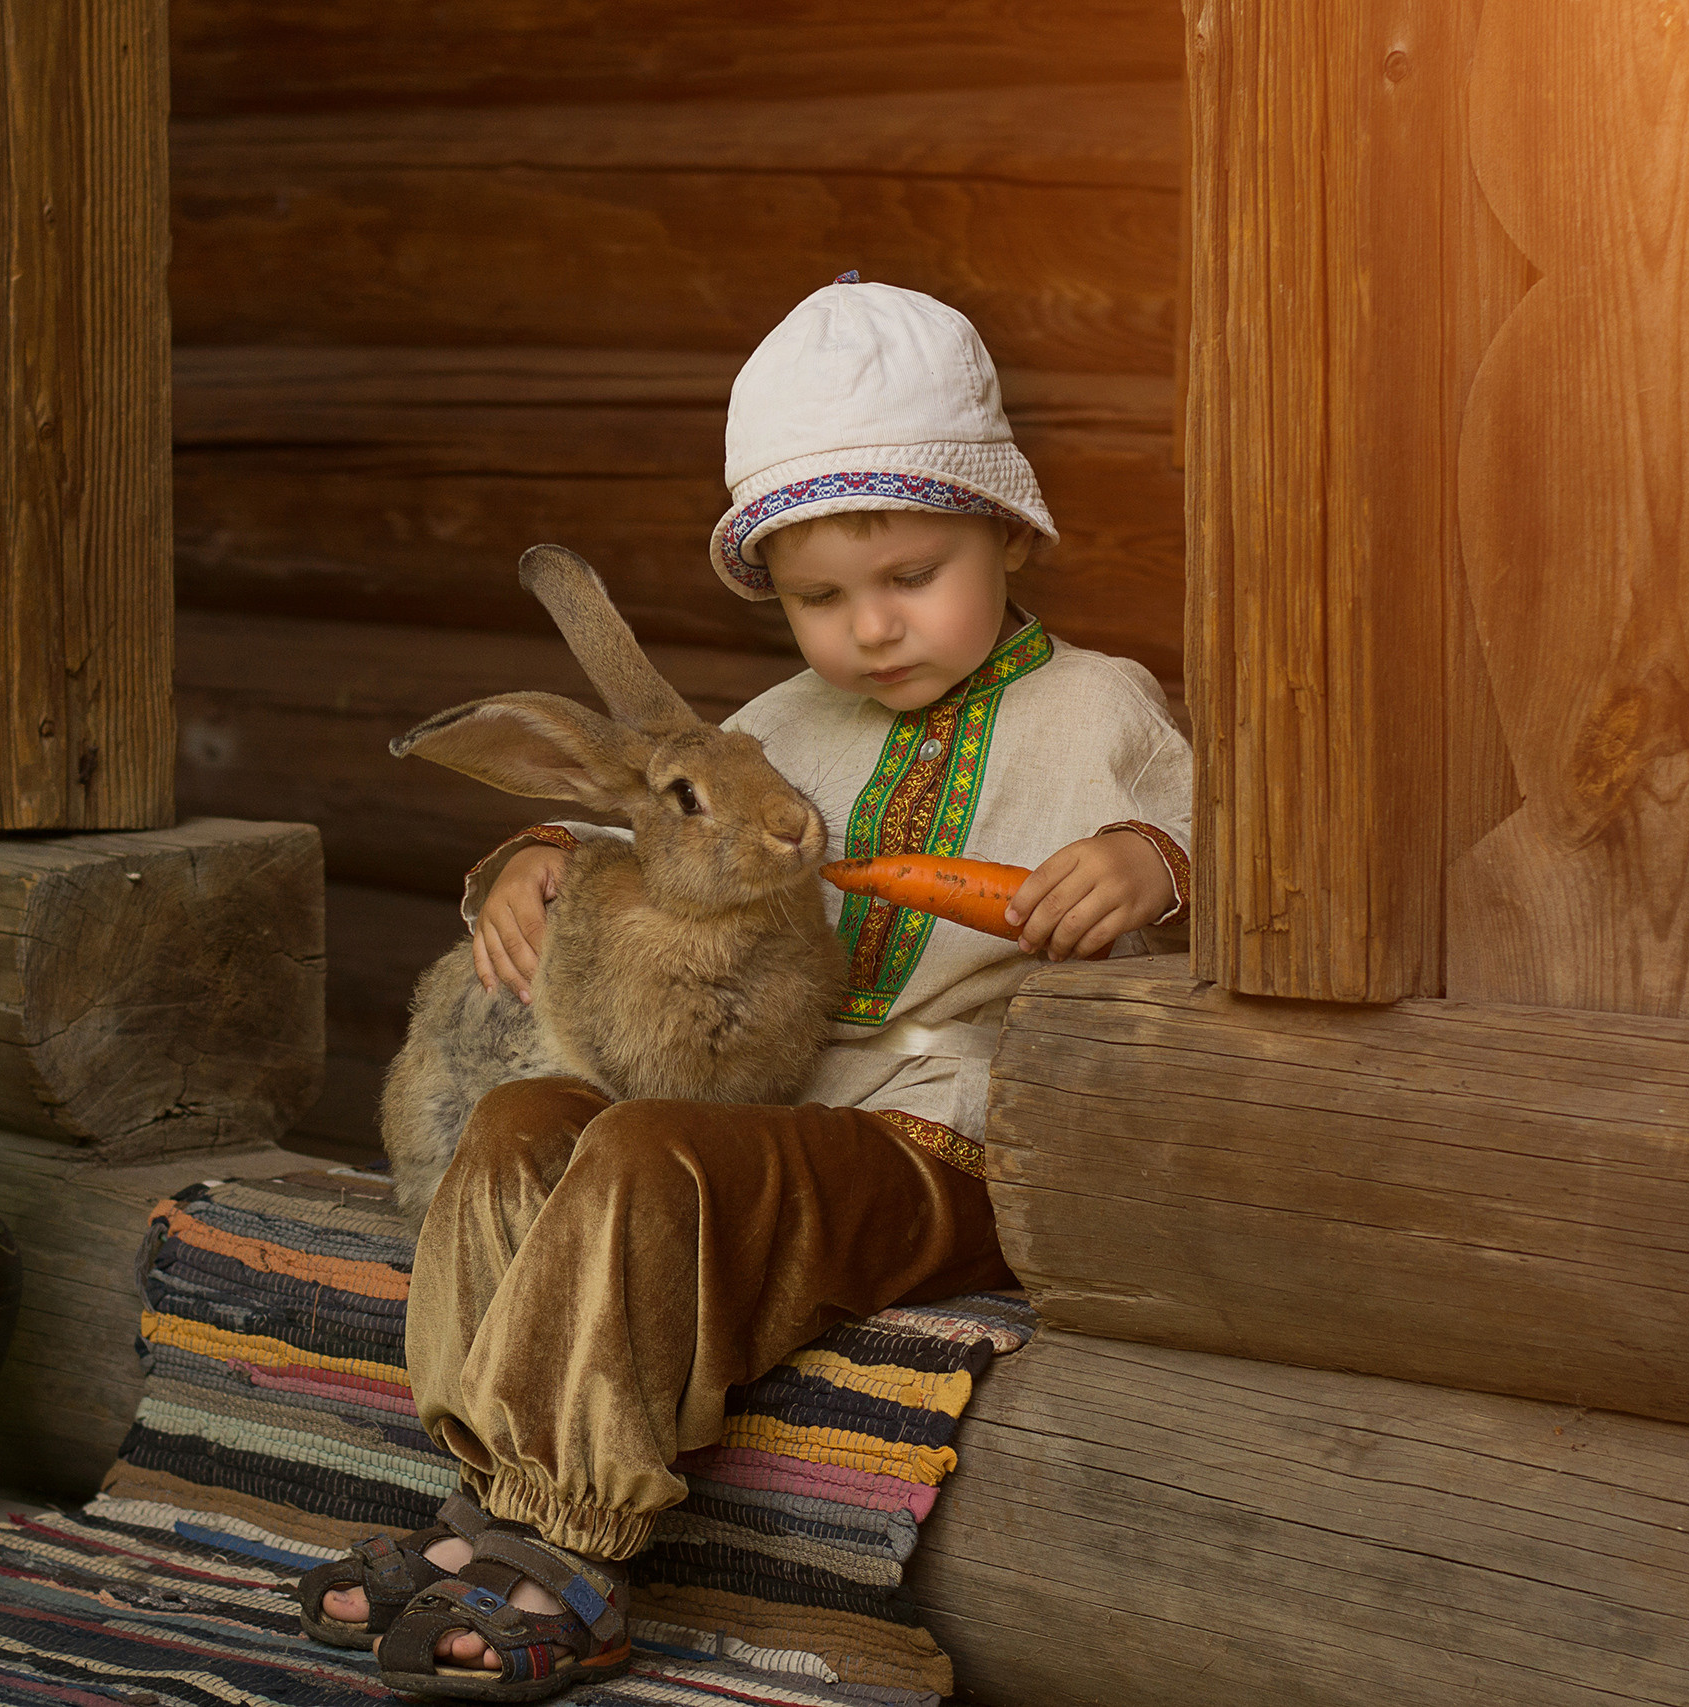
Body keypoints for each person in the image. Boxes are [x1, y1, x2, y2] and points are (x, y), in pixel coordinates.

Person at [301, 275, 1193, 1700]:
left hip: (965, 1142)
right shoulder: (780, 721)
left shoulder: (1100, 706)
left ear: (1011, 534)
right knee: (524, 1120)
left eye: (912, 576)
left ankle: (571, 1544)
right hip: (779, 1116)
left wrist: (1153, 863)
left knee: (648, 1150)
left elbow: (1228, 846)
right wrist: (536, 859)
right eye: (819, 598)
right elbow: (657, 821)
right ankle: (483, 1491)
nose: (872, 628)